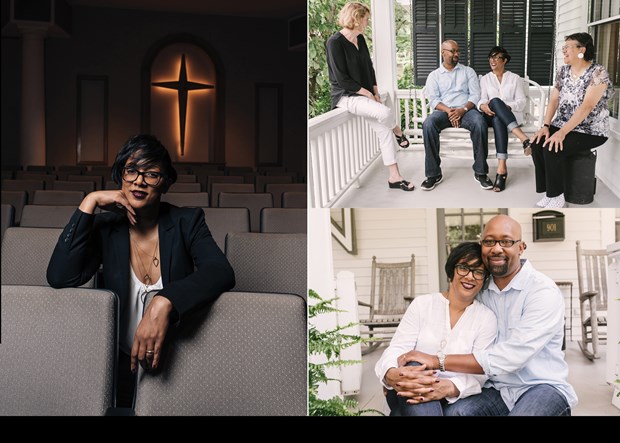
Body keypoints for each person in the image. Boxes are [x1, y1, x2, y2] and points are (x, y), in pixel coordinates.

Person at [47, 134, 235, 407]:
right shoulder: (106, 227)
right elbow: (60, 276)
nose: (139, 181)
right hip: (120, 363)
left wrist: (164, 301)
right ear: (121, 175)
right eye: (131, 170)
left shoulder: (187, 222)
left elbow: (221, 271)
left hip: (176, 362)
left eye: (151, 174)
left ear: (165, 183)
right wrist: (90, 201)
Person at [397, 215, 577, 416]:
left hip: (541, 387)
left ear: (521, 247)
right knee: (455, 413)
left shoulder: (542, 292)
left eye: (506, 241)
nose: (497, 248)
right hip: (495, 389)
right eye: (489, 241)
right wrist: (396, 375)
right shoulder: (479, 291)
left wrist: (437, 360)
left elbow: (511, 357)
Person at [375, 242, 497, 416]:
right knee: (415, 364)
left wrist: (449, 387)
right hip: (408, 385)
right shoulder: (422, 305)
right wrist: (390, 373)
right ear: (451, 270)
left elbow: (480, 370)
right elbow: (398, 347)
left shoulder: (486, 318)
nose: (470, 277)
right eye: (464, 268)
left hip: (452, 395)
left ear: (485, 279)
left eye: (478, 272)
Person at [326, 2, 415, 192]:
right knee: (384, 112)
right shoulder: (335, 43)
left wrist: (375, 91)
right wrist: (367, 94)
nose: (367, 22)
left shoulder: (361, 40)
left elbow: (369, 68)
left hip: (365, 95)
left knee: (383, 131)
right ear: (356, 18)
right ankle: (398, 132)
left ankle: (394, 177)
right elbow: (341, 79)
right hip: (347, 96)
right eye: (366, 18)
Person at [530, 32, 613, 208]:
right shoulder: (563, 71)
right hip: (564, 125)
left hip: (591, 130)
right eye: (563, 48)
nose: (564, 51)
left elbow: (587, 106)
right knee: (537, 142)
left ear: (581, 49)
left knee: (552, 148)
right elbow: (554, 100)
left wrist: (561, 133)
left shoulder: (598, 72)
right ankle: (549, 193)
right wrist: (545, 126)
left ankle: (557, 197)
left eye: (568, 47)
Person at [421, 40, 493, 191]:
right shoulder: (434, 76)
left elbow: (475, 95)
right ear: (443, 52)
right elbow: (434, 100)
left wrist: (463, 110)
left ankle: (480, 172)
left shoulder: (468, 71)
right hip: (443, 112)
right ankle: (433, 174)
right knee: (428, 124)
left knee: (480, 123)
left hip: (467, 111)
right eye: (452, 51)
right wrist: (450, 111)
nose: (456, 54)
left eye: (458, 51)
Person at [478, 46, 532, 192]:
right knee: (495, 102)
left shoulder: (515, 78)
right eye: (491, 57)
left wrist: (506, 107)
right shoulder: (485, 79)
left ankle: (502, 169)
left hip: (510, 116)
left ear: (505, 60)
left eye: (496, 57)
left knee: (498, 116)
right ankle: (524, 139)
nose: (492, 60)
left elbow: (521, 102)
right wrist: (483, 106)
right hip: (490, 114)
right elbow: (482, 99)